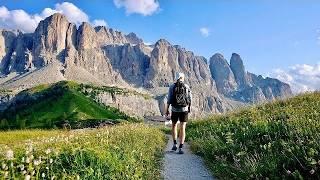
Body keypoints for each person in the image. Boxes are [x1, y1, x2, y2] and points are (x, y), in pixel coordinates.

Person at [165, 72, 192, 154]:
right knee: (183, 127)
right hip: (184, 109)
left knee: (174, 125)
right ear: (183, 78)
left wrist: (167, 110)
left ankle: (174, 144)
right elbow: (190, 99)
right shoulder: (187, 87)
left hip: (175, 109)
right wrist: (189, 108)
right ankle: (181, 147)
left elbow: (169, 99)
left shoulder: (172, 87)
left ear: (176, 78)